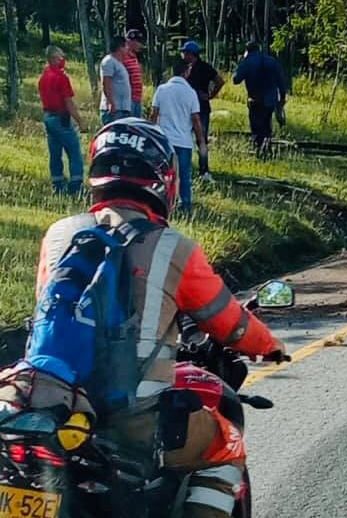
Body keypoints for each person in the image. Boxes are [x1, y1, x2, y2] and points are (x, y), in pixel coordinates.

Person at [35, 118, 288, 518]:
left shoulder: (59, 235)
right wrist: (272, 347)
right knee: (225, 446)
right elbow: (230, 324)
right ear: (163, 179)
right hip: (132, 420)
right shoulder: (173, 247)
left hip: (54, 406)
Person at [152, 61, 207, 215]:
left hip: (164, 140)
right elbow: (195, 119)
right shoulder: (190, 93)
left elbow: (154, 114)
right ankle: (186, 204)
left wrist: (152, 133)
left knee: (162, 173)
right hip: (183, 141)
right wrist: (201, 140)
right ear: (186, 72)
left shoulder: (161, 90)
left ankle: (161, 202)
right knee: (184, 175)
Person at [38, 45, 86, 195]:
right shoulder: (61, 77)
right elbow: (68, 102)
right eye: (61, 57)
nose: (63, 59)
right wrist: (80, 121)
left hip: (48, 117)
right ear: (54, 58)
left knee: (55, 152)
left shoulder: (44, 76)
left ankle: (57, 184)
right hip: (61, 118)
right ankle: (76, 185)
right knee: (74, 152)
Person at [233, 42, 287, 155]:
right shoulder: (272, 61)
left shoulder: (247, 62)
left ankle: (258, 151)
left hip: (255, 100)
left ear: (247, 51)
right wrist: (281, 100)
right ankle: (266, 149)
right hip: (270, 101)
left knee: (257, 127)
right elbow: (282, 83)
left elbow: (236, 80)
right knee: (267, 125)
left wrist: (240, 65)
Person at [181, 40, 225, 179]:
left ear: (191, 54)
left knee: (202, 139)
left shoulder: (205, 67)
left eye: (185, 52)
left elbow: (220, 81)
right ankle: (186, 167)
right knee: (185, 138)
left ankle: (204, 169)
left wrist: (211, 95)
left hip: (201, 108)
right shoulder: (183, 68)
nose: (182, 55)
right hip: (186, 108)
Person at [100, 36, 132, 125]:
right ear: (120, 48)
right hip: (114, 110)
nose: (127, 49)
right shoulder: (109, 61)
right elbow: (106, 83)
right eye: (126, 46)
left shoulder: (120, 64)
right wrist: (111, 103)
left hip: (123, 109)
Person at [124, 29, 146, 118]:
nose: (140, 45)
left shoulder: (134, 57)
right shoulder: (123, 57)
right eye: (138, 42)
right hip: (129, 99)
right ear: (129, 41)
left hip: (138, 98)